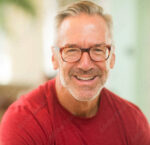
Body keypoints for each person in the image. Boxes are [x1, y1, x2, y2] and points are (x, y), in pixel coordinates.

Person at [0, 1, 150, 145]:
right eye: (72, 50)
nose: (85, 64)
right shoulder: (23, 123)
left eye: (98, 50)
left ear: (112, 59)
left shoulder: (132, 121)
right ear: (54, 58)